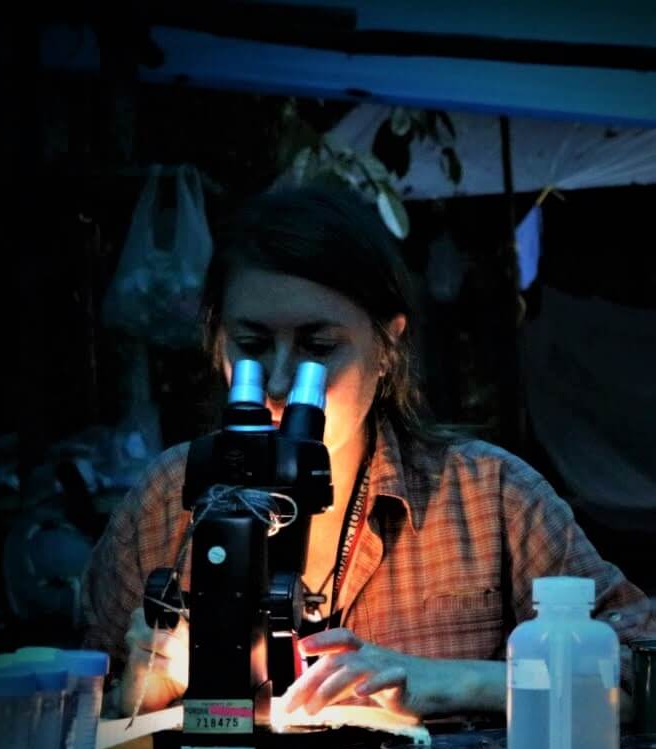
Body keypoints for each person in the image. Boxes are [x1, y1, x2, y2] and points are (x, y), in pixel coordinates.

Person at [81, 184, 654, 721]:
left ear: (386, 348)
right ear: (216, 346)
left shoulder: (493, 500)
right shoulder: (166, 502)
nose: (280, 382)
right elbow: (70, 711)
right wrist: (136, 698)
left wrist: (459, 681)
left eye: (319, 347)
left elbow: (638, 676)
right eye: (252, 347)